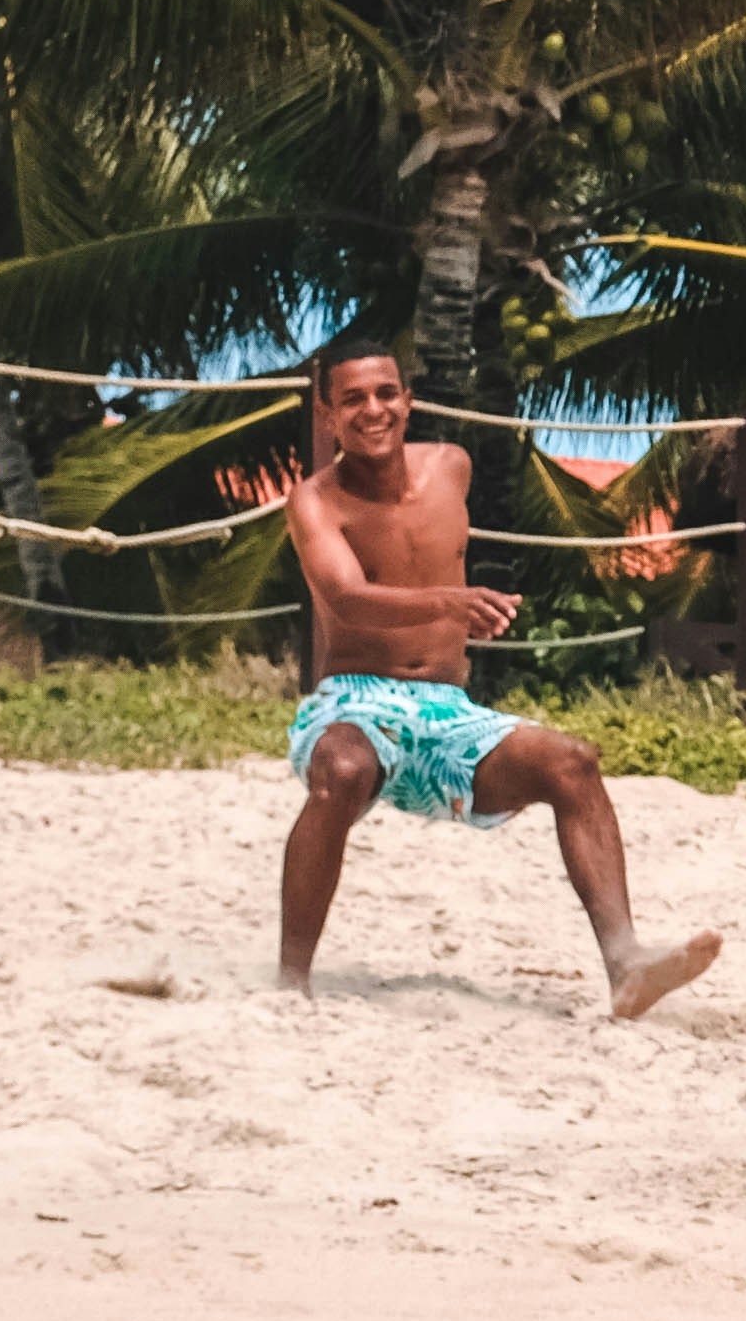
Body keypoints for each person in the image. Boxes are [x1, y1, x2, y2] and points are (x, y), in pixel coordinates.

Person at [273, 340, 720, 1019]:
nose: (374, 409)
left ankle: (627, 961)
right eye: (354, 398)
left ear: (409, 399)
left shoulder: (451, 467)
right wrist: (447, 602)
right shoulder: (314, 501)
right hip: (355, 699)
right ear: (328, 413)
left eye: (386, 393)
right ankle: (290, 981)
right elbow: (345, 596)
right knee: (341, 766)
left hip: (448, 711)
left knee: (572, 763)